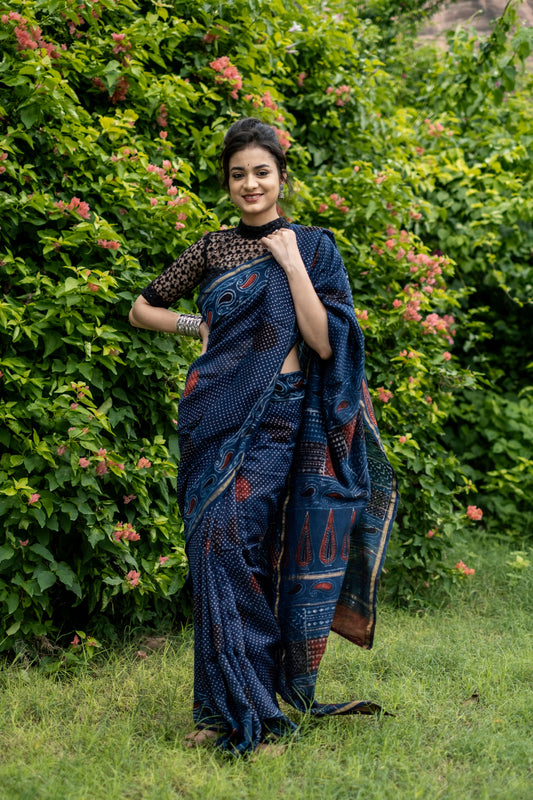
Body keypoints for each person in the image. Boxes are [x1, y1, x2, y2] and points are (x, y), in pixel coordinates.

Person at [129, 117, 398, 756]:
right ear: (228, 183)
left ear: (280, 177)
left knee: (239, 551)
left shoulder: (314, 247)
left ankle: (253, 710)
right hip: (212, 415)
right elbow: (141, 308)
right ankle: (218, 712)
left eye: (261, 172)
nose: (250, 184)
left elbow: (325, 341)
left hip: (278, 418)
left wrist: (291, 261)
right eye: (238, 175)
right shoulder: (212, 248)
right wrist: (197, 326)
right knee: (213, 554)